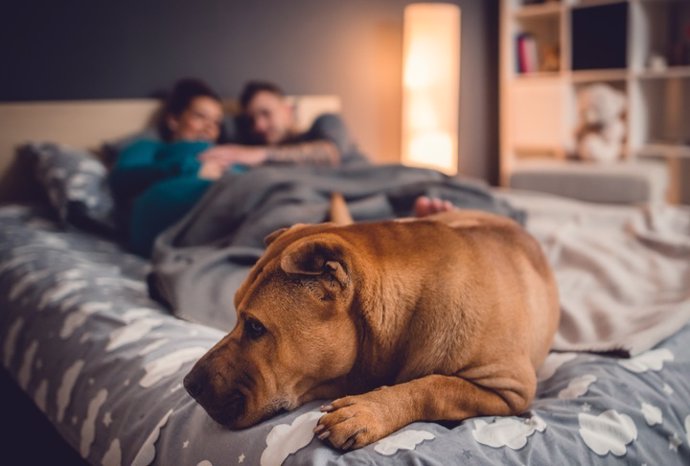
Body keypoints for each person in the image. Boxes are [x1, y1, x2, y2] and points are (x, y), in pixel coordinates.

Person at [197, 80, 368, 174]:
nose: (259, 125)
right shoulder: (263, 166)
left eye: (266, 113)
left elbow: (331, 154)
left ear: (288, 110)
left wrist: (257, 154)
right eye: (252, 120)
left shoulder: (326, 121)